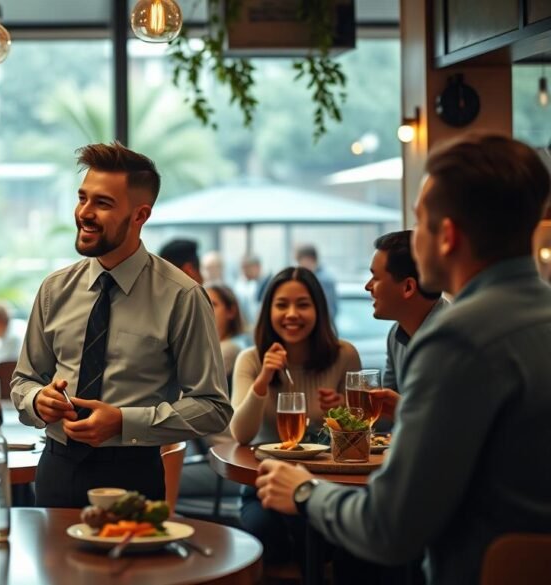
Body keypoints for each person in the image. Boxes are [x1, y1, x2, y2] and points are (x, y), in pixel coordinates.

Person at [255, 134, 551, 585]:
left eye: (421, 222)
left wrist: (304, 491)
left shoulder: (458, 339)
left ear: (447, 236)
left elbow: (389, 527)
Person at [11, 142, 232, 508]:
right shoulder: (54, 289)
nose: (84, 213)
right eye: (83, 198)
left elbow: (213, 407)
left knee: (129, 567)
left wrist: (124, 422)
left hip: (133, 475)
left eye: (103, 203)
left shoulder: (182, 296)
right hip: (55, 467)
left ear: (140, 215)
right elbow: (23, 381)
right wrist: (37, 400)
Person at [230, 267, 360, 568]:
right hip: (263, 483)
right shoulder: (250, 359)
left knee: (323, 537)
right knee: (265, 534)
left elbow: (362, 433)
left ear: (319, 309)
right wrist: (263, 379)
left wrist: (341, 414)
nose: (292, 314)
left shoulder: (344, 355)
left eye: (303, 304)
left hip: (326, 484)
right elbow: (241, 435)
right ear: (268, 311)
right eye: (281, 305)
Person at [365, 230, 447, 393]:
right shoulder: (396, 334)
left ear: (408, 287)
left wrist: (398, 408)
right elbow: (386, 405)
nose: (368, 286)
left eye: (376, 278)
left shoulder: (452, 338)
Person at [205, 283, 246, 383]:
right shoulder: (209, 346)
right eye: (203, 304)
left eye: (213, 304)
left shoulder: (231, 348)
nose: (205, 309)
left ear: (231, 311)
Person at [295, 244, 339, 318]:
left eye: (301, 262)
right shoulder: (305, 277)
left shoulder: (324, 280)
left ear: (311, 259)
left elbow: (328, 310)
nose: (300, 266)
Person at [234, 253, 268, 326]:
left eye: (246, 268)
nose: (244, 272)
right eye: (242, 268)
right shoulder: (245, 286)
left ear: (257, 267)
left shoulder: (267, 284)